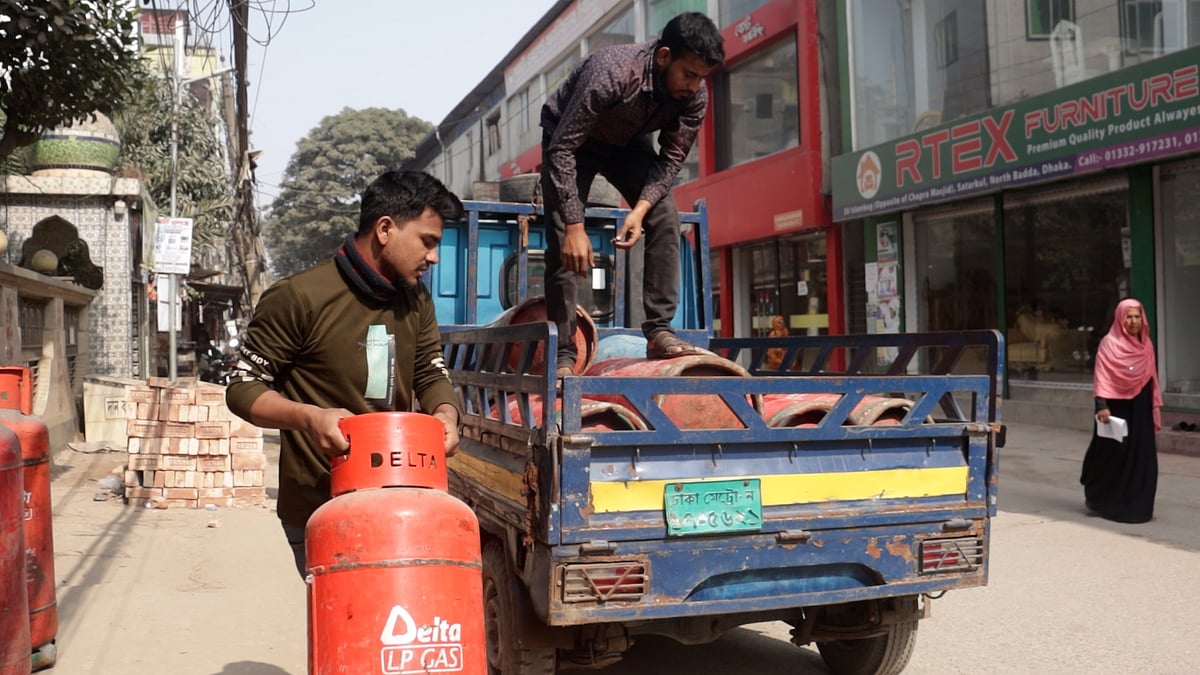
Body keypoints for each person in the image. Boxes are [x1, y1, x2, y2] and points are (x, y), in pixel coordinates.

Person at [225, 170, 464, 575]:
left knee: (392, 630)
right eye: (428, 242)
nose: (434, 257)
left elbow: (429, 369)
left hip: (397, 498)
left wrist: (445, 413)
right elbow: (242, 387)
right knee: (346, 629)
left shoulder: (416, 299)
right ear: (385, 229)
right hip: (320, 508)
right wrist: (310, 417)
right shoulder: (299, 297)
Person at [539, 11, 725, 375]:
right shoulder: (611, 72)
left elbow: (670, 160)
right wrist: (576, 227)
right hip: (569, 141)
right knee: (563, 237)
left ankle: (658, 331)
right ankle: (563, 352)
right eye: (688, 74)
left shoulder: (694, 96)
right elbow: (562, 149)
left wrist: (638, 211)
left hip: (625, 144)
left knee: (665, 216)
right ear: (664, 56)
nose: (693, 85)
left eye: (701, 77)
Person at [1079, 298, 1162, 523]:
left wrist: (1154, 407)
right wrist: (1102, 406)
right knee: (1113, 456)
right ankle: (1101, 499)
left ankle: (1139, 506)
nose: (1133, 321)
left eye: (1137, 316)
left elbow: (1152, 378)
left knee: (1142, 458)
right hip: (1116, 408)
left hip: (1141, 409)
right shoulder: (1109, 343)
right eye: (1129, 316)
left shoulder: (1147, 345)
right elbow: (1102, 376)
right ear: (1120, 318)